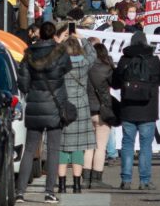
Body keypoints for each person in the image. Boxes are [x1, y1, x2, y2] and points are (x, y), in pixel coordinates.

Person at [15, 22, 73, 204]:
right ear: (54, 34)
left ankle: (20, 192)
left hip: (35, 105)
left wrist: (32, 91)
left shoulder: (29, 53)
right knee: (54, 150)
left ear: (39, 34)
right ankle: (49, 193)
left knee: (29, 149)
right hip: (55, 105)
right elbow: (67, 69)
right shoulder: (60, 52)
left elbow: (22, 83)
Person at [112, 31, 160, 190]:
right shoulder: (153, 60)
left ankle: (126, 180)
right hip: (148, 109)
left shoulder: (124, 60)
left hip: (128, 109)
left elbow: (115, 83)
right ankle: (145, 181)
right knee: (145, 146)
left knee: (127, 144)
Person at [58, 27, 97, 194]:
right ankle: (76, 185)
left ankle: (61, 185)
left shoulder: (59, 64)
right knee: (78, 148)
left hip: (62, 107)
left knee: (61, 147)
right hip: (80, 108)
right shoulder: (84, 63)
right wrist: (82, 38)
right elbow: (93, 54)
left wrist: (60, 40)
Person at [85, 42, 116, 189]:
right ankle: (96, 179)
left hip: (86, 109)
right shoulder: (107, 67)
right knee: (100, 147)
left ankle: (85, 179)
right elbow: (115, 84)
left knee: (87, 146)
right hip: (102, 110)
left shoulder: (85, 66)